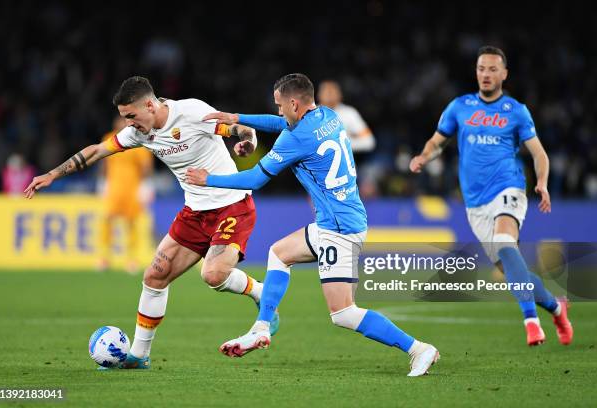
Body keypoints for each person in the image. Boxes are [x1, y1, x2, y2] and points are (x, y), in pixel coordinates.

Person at [186, 73, 439, 377]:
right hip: (339, 219)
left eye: (280, 105)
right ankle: (261, 328)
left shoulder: (296, 138)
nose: (278, 111)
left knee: (343, 313)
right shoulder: (328, 116)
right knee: (279, 253)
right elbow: (278, 123)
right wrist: (237, 117)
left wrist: (208, 179)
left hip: (339, 230)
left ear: (294, 103)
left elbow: (255, 179)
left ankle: (418, 349)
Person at [24, 76, 279, 369]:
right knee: (154, 277)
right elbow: (96, 150)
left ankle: (261, 292)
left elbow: (240, 129)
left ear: (149, 104)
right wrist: (53, 174)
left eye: (131, 116)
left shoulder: (192, 113)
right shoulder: (139, 134)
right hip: (194, 213)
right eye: (124, 118)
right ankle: (139, 355)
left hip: (232, 206)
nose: (129, 124)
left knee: (212, 275)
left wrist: (247, 141)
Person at [409, 46, 573, 346]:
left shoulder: (516, 111)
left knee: (504, 243)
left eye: (492, 69)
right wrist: (423, 157)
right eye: (481, 68)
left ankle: (531, 322)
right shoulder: (460, 106)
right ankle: (555, 306)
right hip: (475, 203)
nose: (486, 74)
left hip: (508, 187)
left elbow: (539, 153)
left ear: (504, 74)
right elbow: (437, 141)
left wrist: (543, 182)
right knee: (511, 268)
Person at [98, 115, 154, 273]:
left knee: (131, 223)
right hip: (114, 188)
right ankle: (104, 257)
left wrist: (145, 186)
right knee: (107, 220)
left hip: (132, 188)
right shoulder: (109, 138)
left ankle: (132, 259)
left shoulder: (138, 141)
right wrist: (103, 183)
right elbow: (104, 162)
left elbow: (145, 167)